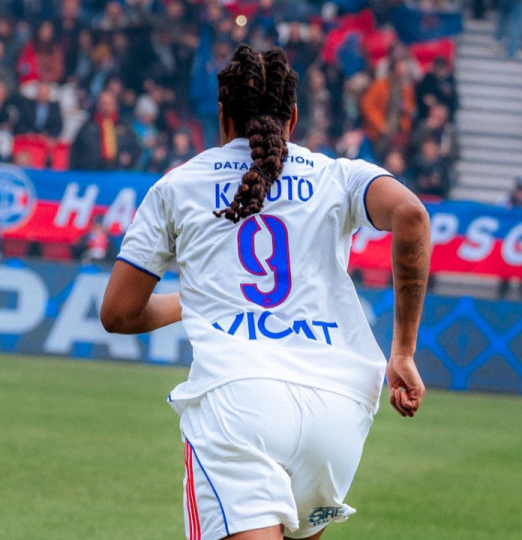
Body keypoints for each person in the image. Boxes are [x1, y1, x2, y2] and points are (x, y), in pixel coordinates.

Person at [99, 45, 428, 540]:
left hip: (239, 403)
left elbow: (119, 313)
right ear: (293, 117)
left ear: (222, 116)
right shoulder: (339, 175)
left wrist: (197, 301)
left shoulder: (178, 186)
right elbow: (412, 216)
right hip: (337, 411)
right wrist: (402, 351)